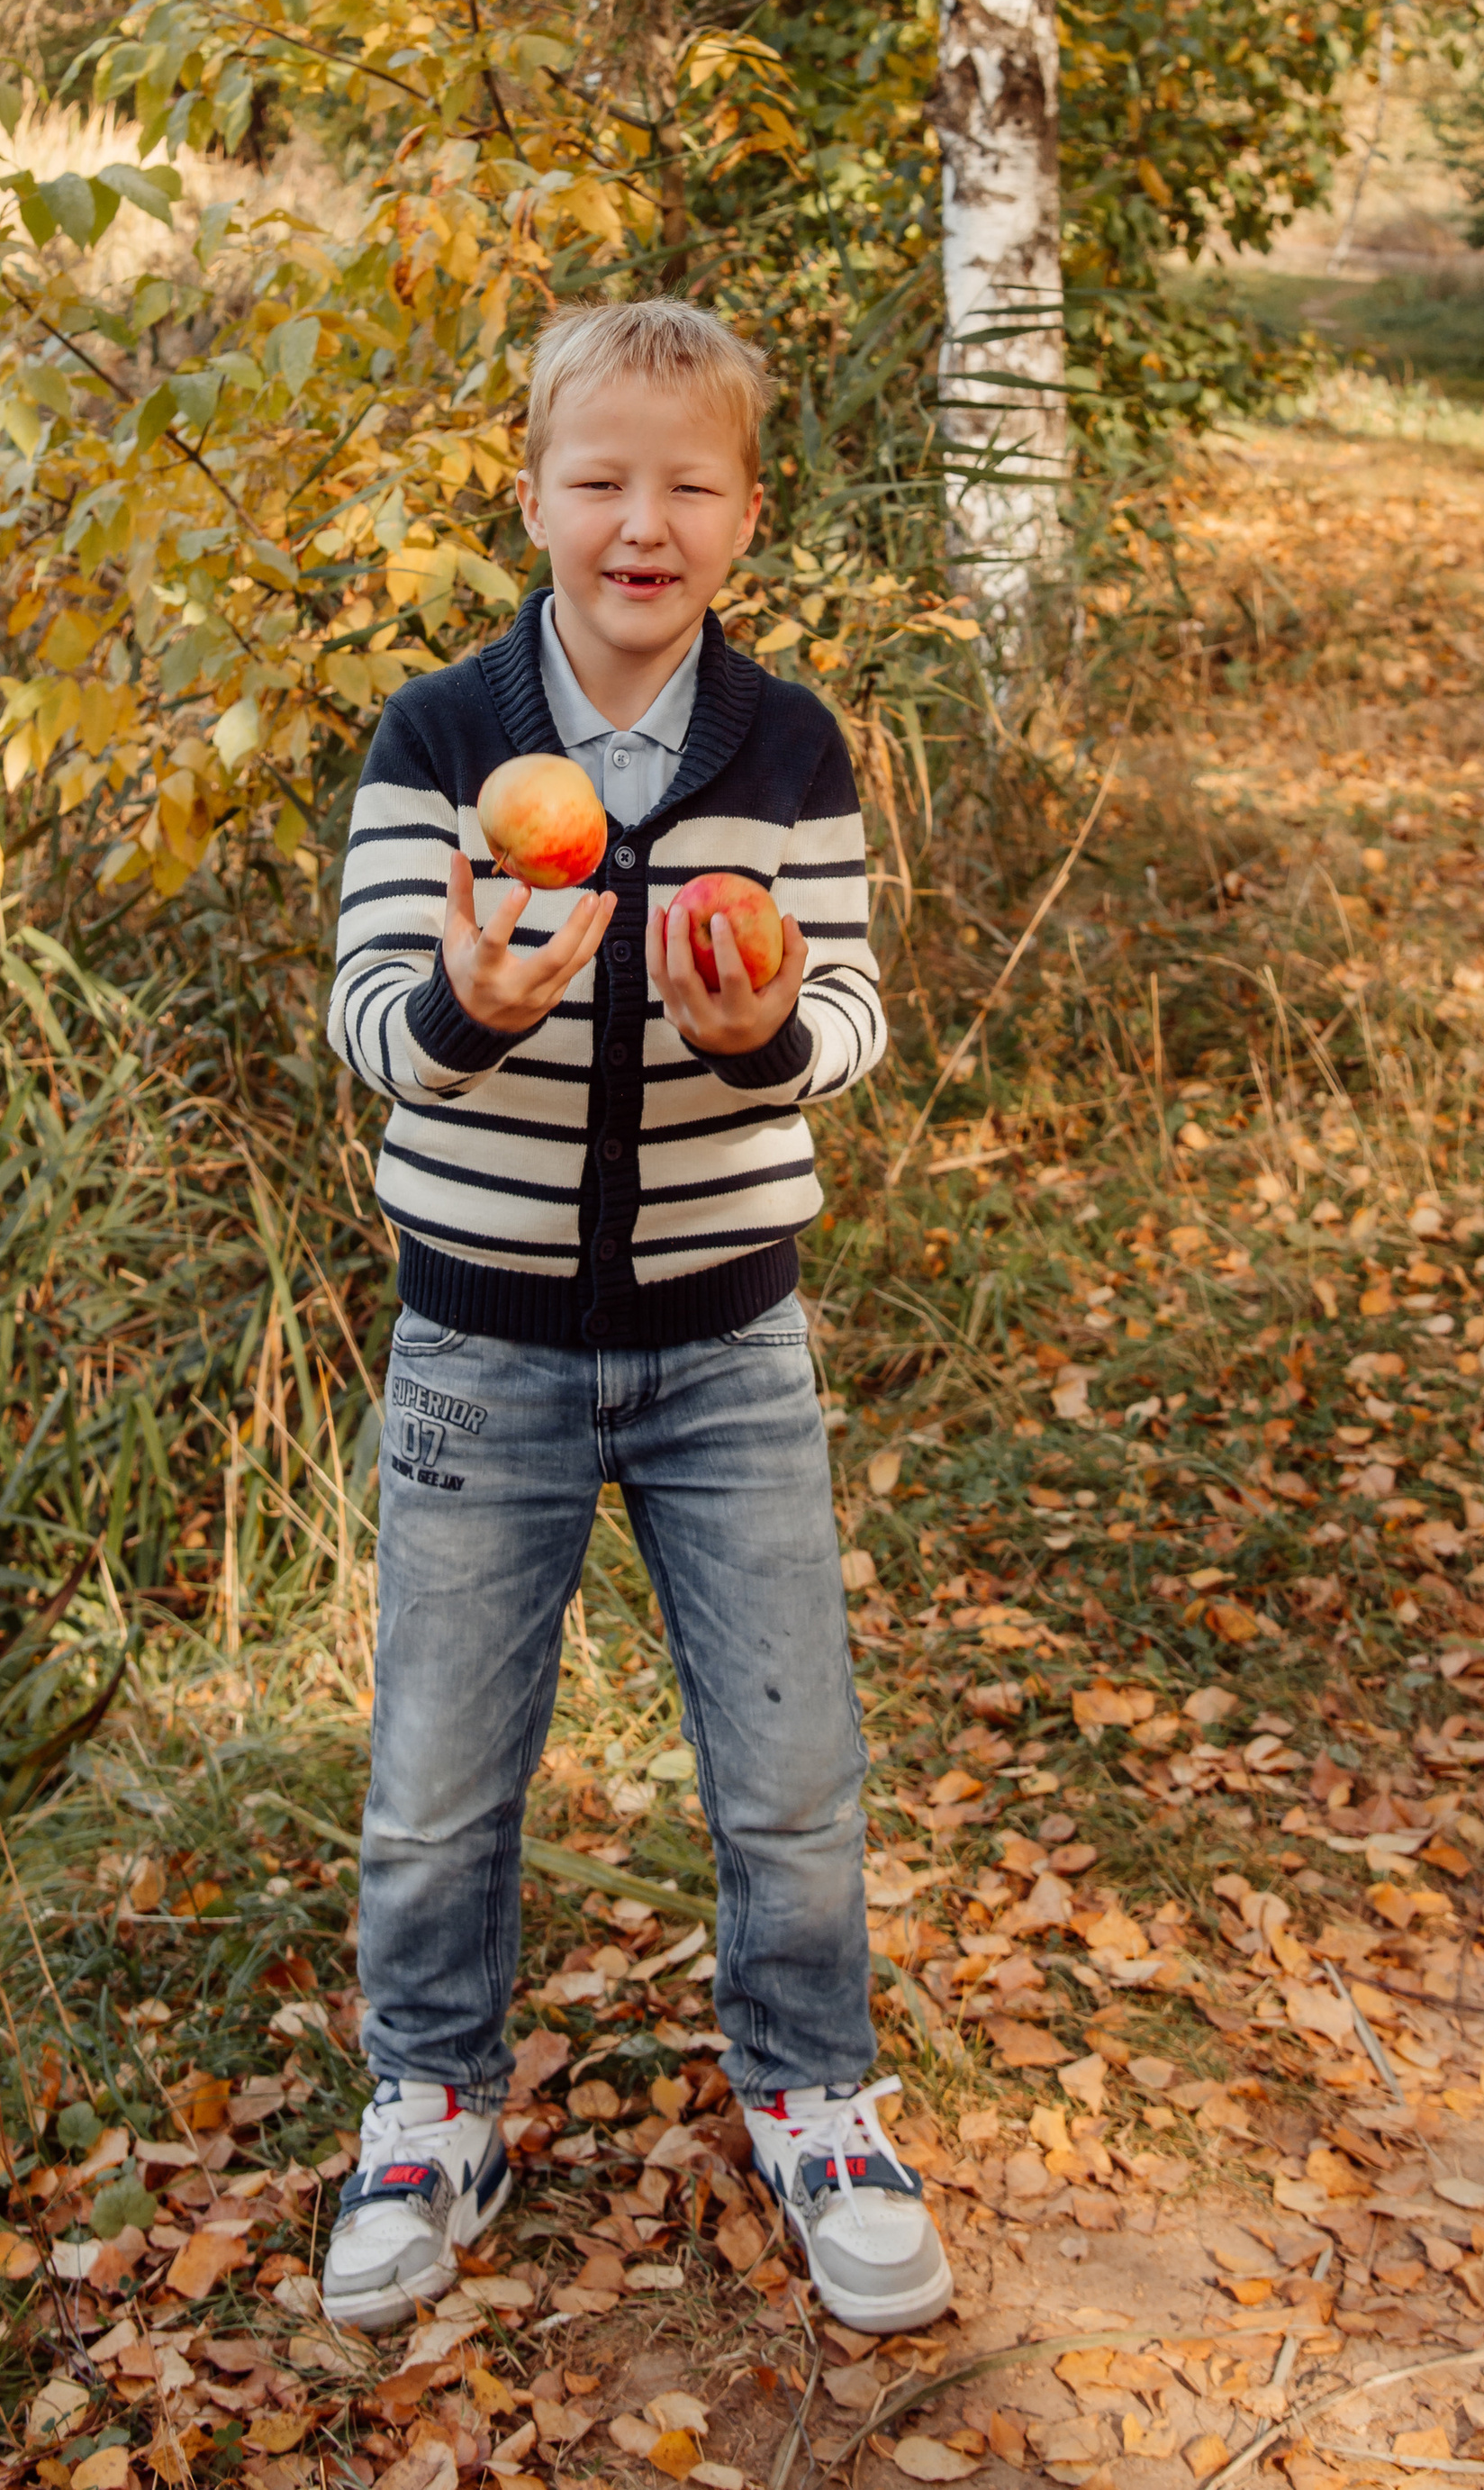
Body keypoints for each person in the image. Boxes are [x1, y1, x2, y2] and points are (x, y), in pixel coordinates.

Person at [320, 298, 953, 2341]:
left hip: (722, 1345)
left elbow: (843, 1002)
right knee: (435, 1764)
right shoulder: (439, 739)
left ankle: (813, 2091)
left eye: (686, 481)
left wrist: (769, 1034)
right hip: (479, 1344)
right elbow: (365, 1023)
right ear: (531, 494)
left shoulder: (786, 746)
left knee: (787, 1765)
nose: (638, 519)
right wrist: (463, 1010)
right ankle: (426, 2101)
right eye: (598, 477)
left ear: (745, 511)